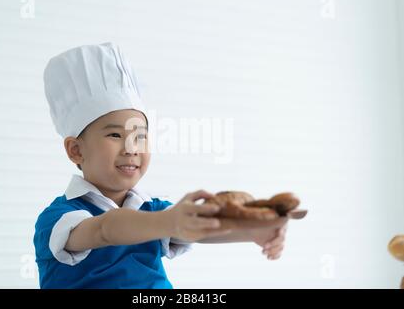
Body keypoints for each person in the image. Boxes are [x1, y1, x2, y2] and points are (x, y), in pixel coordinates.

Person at [33, 42, 287, 288]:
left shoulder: (154, 210)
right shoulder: (59, 219)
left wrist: (253, 232)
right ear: (76, 150)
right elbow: (105, 229)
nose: (132, 148)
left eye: (140, 136)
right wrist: (170, 221)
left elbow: (200, 230)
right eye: (115, 135)